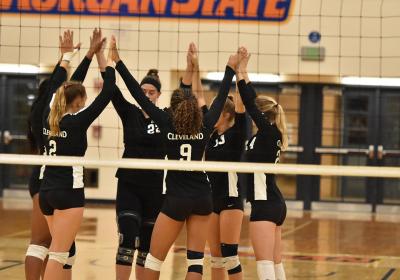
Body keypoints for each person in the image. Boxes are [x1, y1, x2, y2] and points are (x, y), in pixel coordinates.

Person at [112, 41, 241, 280]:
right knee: (194, 261)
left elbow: (138, 94)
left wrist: (118, 62)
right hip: (203, 197)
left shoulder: (166, 121)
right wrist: (230, 68)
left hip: (175, 198)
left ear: (173, 107)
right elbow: (222, 95)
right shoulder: (205, 123)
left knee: (153, 259)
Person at [25, 28, 104, 280]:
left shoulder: (47, 111)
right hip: (49, 178)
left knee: (64, 248)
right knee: (42, 244)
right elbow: (69, 88)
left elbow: (71, 87)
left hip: (47, 178)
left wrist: (84, 56)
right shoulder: (48, 112)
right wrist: (69, 58)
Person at [95, 42, 165, 280]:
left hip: (155, 187)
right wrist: (101, 58)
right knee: (127, 238)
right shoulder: (130, 113)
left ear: (158, 95)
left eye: (151, 92)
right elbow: (112, 88)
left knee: (147, 245)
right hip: (129, 184)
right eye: (142, 91)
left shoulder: (166, 118)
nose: (145, 95)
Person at [236, 48, 288, 280]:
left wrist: (241, 70)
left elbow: (249, 101)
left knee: (266, 265)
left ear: (262, 115)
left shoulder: (268, 133)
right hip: (272, 202)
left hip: (265, 204)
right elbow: (253, 101)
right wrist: (244, 72)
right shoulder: (267, 134)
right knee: (275, 264)